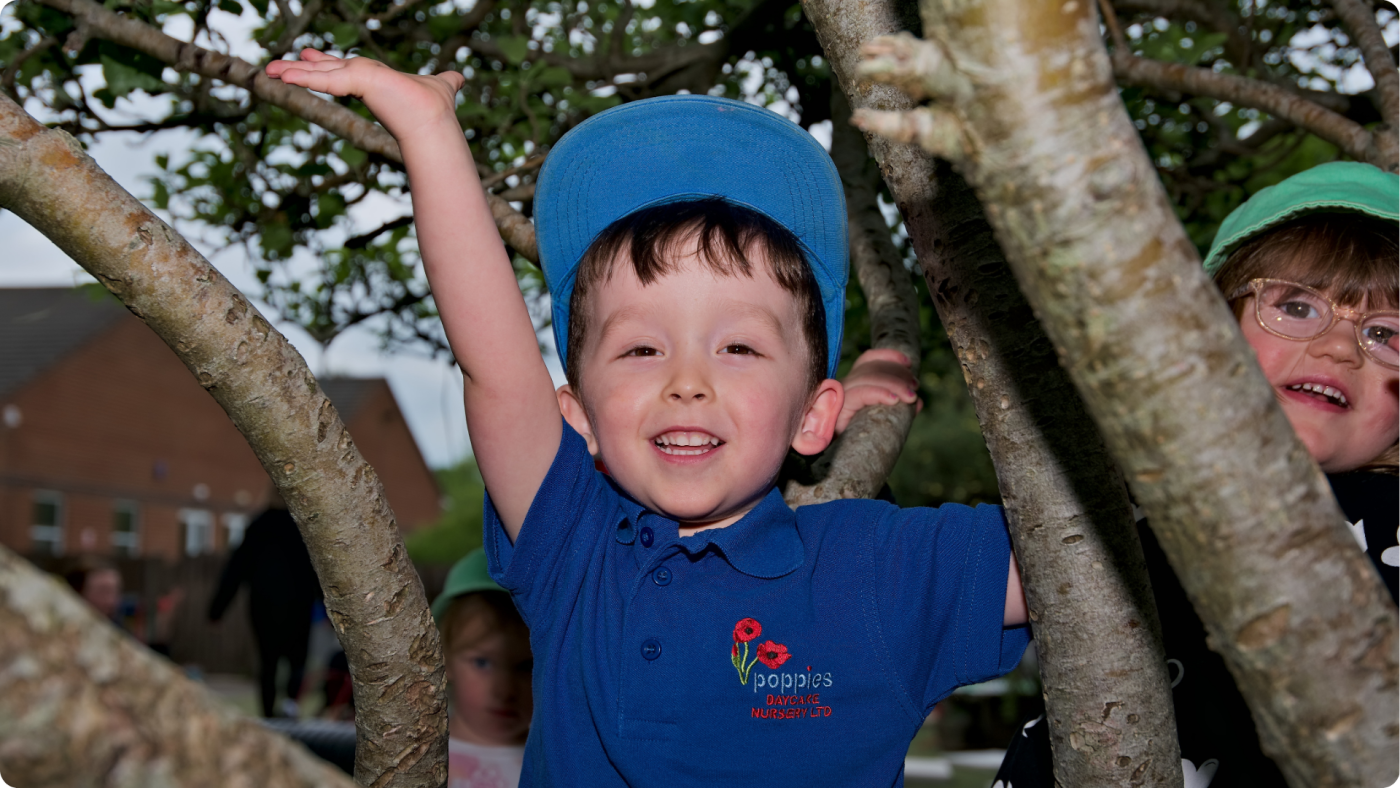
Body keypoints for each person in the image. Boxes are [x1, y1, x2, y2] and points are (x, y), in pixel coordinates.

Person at [265, 51, 1028, 786]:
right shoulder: (577, 550)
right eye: (639, 348)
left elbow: (1093, 552)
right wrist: (430, 136)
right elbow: (496, 368)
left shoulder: (884, 570)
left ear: (813, 416)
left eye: (737, 345)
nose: (686, 382)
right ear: (579, 418)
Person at [993, 161, 1400, 787]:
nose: (1340, 347)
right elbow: (946, 582)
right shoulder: (1125, 497)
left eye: (1387, 335)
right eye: (1295, 305)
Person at [208, 492, 323, 718]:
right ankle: (290, 704)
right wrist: (329, 609)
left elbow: (236, 568)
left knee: (267, 661)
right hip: (298, 604)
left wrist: (217, 609)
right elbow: (318, 570)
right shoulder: (303, 527)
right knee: (297, 658)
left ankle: (268, 714)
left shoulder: (258, 526)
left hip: (263, 604)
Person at [432, 549, 533, 788]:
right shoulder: (417, 757)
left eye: (526, 666)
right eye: (482, 663)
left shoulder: (558, 758)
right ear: (443, 659)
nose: (505, 690)